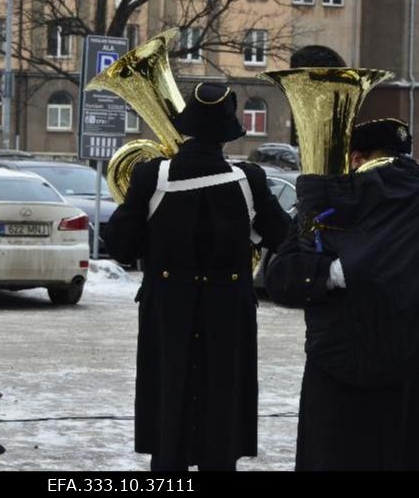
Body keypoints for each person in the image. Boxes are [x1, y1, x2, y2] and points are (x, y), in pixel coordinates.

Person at [104, 83, 290, 471]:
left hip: (168, 310)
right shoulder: (249, 179)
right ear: (227, 132)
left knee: (169, 395)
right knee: (222, 400)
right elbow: (283, 237)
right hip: (228, 312)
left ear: (186, 124)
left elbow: (120, 247)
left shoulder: (151, 174)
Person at [265, 118, 419, 471]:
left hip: (349, 374)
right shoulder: (329, 205)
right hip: (383, 375)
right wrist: (330, 273)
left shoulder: (333, 201)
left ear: (353, 158)